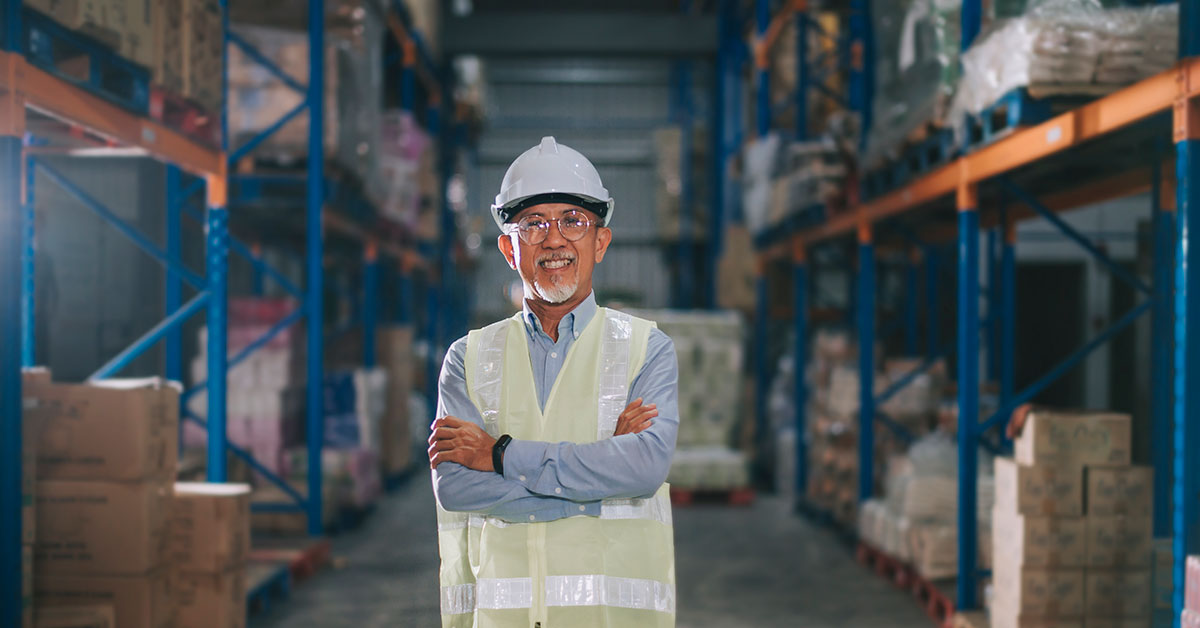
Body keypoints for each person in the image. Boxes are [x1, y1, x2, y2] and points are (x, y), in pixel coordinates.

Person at [427, 136, 679, 627]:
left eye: (573, 221)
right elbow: (456, 487)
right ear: (508, 247)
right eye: (533, 224)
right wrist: (598, 480)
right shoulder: (468, 357)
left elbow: (644, 470)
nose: (554, 239)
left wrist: (497, 456)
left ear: (600, 242)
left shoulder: (646, 349)